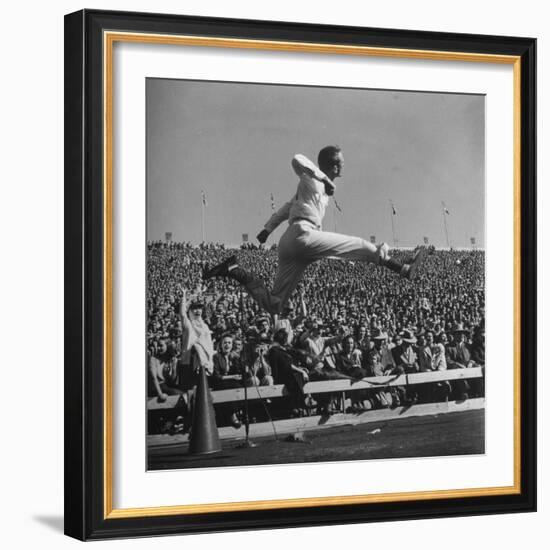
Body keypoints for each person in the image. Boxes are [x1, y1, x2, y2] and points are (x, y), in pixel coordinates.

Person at [203, 146, 428, 316]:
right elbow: (297, 159)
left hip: (291, 244)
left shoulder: (311, 189)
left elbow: (287, 208)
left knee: (275, 304)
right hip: (303, 235)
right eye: (341, 162)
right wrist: (323, 178)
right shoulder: (312, 179)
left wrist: (267, 229)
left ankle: (234, 270)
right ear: (333, 165)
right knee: (361, 245)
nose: (343, 167)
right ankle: (404, 268)